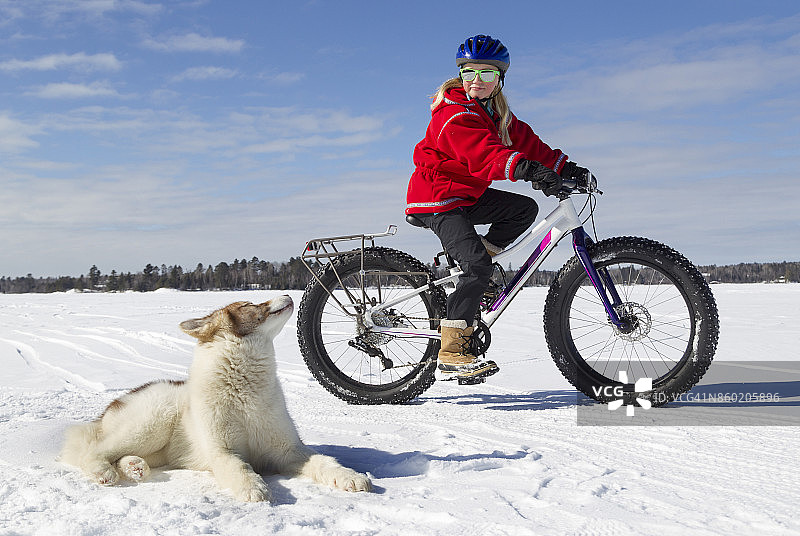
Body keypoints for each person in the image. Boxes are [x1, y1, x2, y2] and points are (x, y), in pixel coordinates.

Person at [405, 34, 592, 383]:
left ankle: (479, 267)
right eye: (469, 73)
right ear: (460, 76)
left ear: (500, 79)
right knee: (475, 266)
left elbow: (529, 144)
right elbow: (484, 155)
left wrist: (565, 168)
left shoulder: (497, 114)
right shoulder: (454, 114)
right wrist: (530, 171)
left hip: (466, 195)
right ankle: (453, 351)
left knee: (523, 210)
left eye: (486, 74)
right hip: (438, 197)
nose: (476, 82)